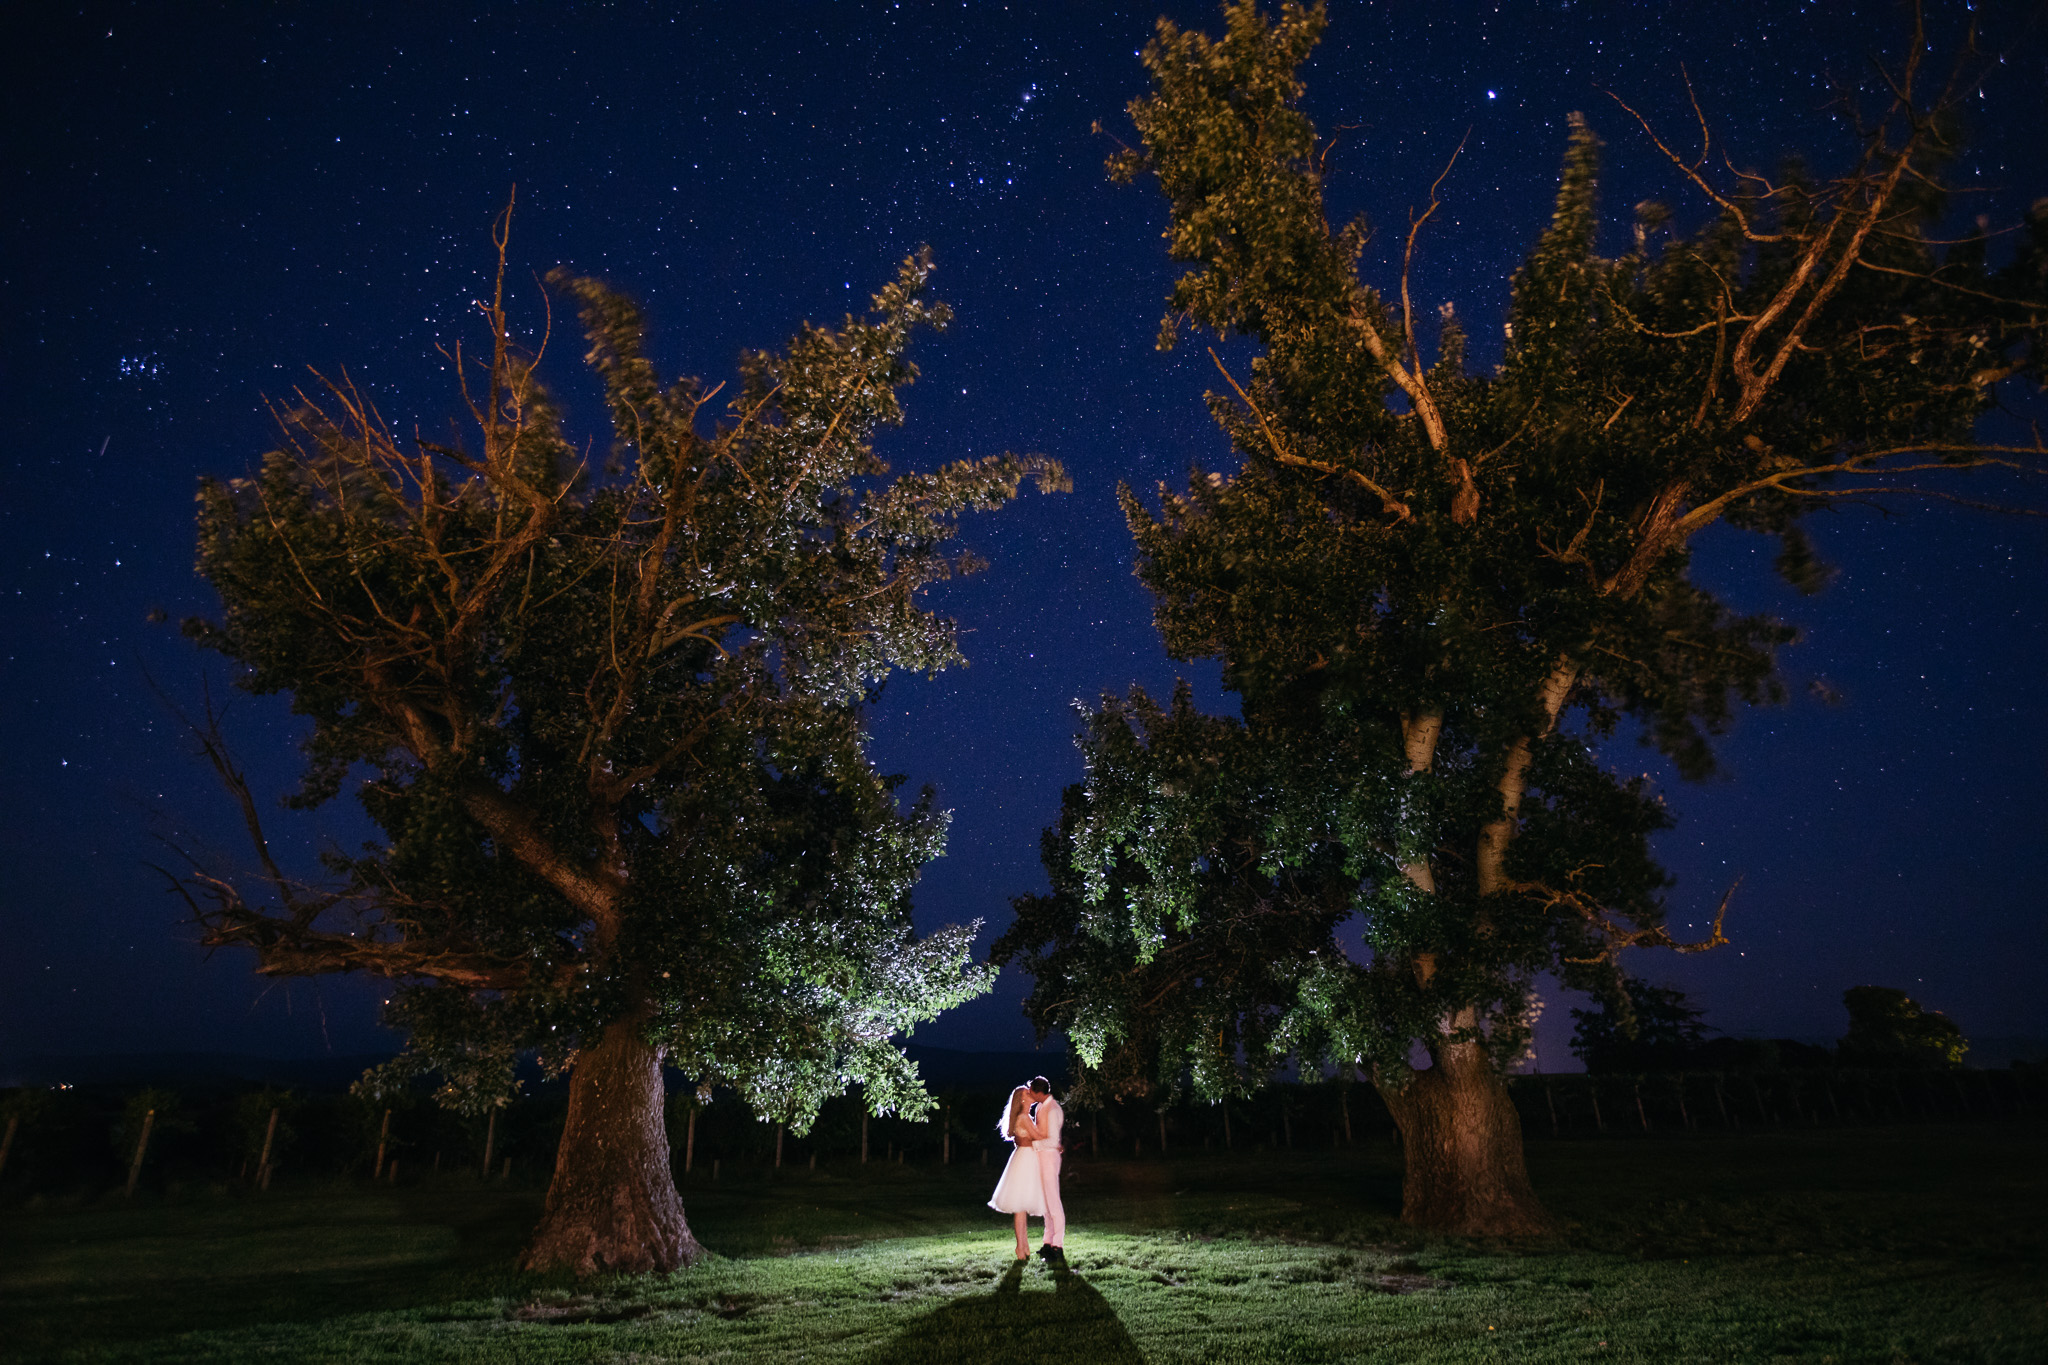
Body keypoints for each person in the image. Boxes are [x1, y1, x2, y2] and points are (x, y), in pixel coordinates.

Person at [986, 1083, 1045, 1260]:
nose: (1031, 1095)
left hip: (1024, 1158)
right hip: (1026, 1160)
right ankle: (1021, 1247)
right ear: (1023, 1099)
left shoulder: (1024, 1117)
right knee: (1020, 1207)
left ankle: (1024, 1246)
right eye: (1028, 1093)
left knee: (1022, 1208)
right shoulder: (1025, 1118)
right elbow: (1038, 1137)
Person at [1028, 1075, 1066, 1260]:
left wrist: (1032, 1146)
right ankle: (1047, 1243)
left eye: (1032, 1092)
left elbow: (1052, 1140)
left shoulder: (1053, 1109)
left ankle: (1058, 1245)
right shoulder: (1041, 1107)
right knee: (1046, 1205)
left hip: (1049, 1158)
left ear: (1038, 1092)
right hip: (1041, 1158)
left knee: (1053, 1203)